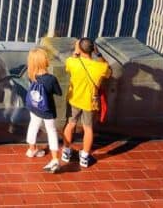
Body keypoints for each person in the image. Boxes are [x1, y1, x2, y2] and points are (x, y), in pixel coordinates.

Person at [62, 38, 111, 168]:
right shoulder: (101, 67)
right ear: (93, 49)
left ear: (79, 49)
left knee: (70, 124)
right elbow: (108, 71)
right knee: (88, 128)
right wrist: (99, 54)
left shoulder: (72, 62)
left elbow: (68, 67)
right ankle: (84, 157)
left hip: (74, 99)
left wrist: (75, 53)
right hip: (90, 102)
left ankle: (66, 152)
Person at [24, 47, 63, 173]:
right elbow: (59, 92)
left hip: (34, 106)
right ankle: (55, 159)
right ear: (44, 61)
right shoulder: (51, 79)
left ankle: (32, 149)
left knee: (33, 125)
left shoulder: (31, 75)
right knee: (51, 131)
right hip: (47, 110)